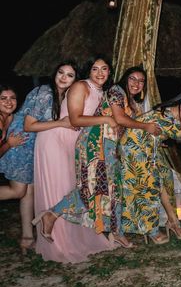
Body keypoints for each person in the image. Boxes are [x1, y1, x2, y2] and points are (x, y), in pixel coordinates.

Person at [32, 57, 124, 262]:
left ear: (110, 71)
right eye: (94, 68)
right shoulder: (81, 86)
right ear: (88, 71)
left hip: (76, 140)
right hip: (56, 138)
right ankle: (59, 241)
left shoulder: (103, 92)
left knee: (78, 185)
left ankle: (64, 227)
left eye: (104, 68)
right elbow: (75, 119)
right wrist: (107, 119)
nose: (100, 73)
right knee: (64, 186)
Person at [119, 77, 181, 244]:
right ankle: (152, 230)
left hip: (148, 143)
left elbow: (171, 132)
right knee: (148, 183)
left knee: (165, 175)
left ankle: (172, 220)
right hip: (136, 142)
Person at [0, 64, 78, 255]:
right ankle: (27, 237)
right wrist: (61, 123)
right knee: (18, 191)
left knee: (29, 192)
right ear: (54, 74)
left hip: (33, 147)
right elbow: (28, 125)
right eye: (60, 72)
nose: (63, 77)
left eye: (70, 75)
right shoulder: (44, 91)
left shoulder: (64, 97)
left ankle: (27, 238)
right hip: (21, 143)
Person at [0, 85, 29, 252]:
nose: (9, 102)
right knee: (18, 191)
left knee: (19, 191)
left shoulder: (10, 117)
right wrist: (9, 144)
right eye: (3, 98)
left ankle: (27, 237)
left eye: (12, 98)